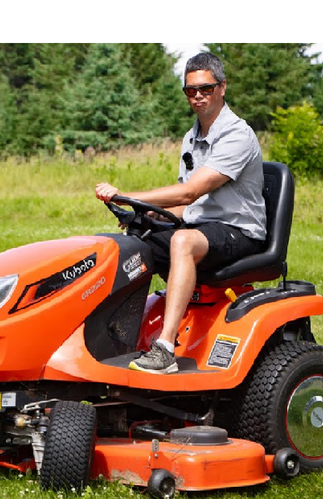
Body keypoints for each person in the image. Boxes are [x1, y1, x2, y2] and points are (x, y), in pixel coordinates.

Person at [94, 51, 266, 373]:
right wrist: (144, 215)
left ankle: (164, 349)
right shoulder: (191, 138)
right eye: (191, 90)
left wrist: (127, 196)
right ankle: (112, 336)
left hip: (239, 231)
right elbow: (187, 205)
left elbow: (191, 191)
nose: (198, 96)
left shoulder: (237, 135)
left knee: (182, 242)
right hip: (202, 226)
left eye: (206, 88)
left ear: (222, 87)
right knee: (133, 242)